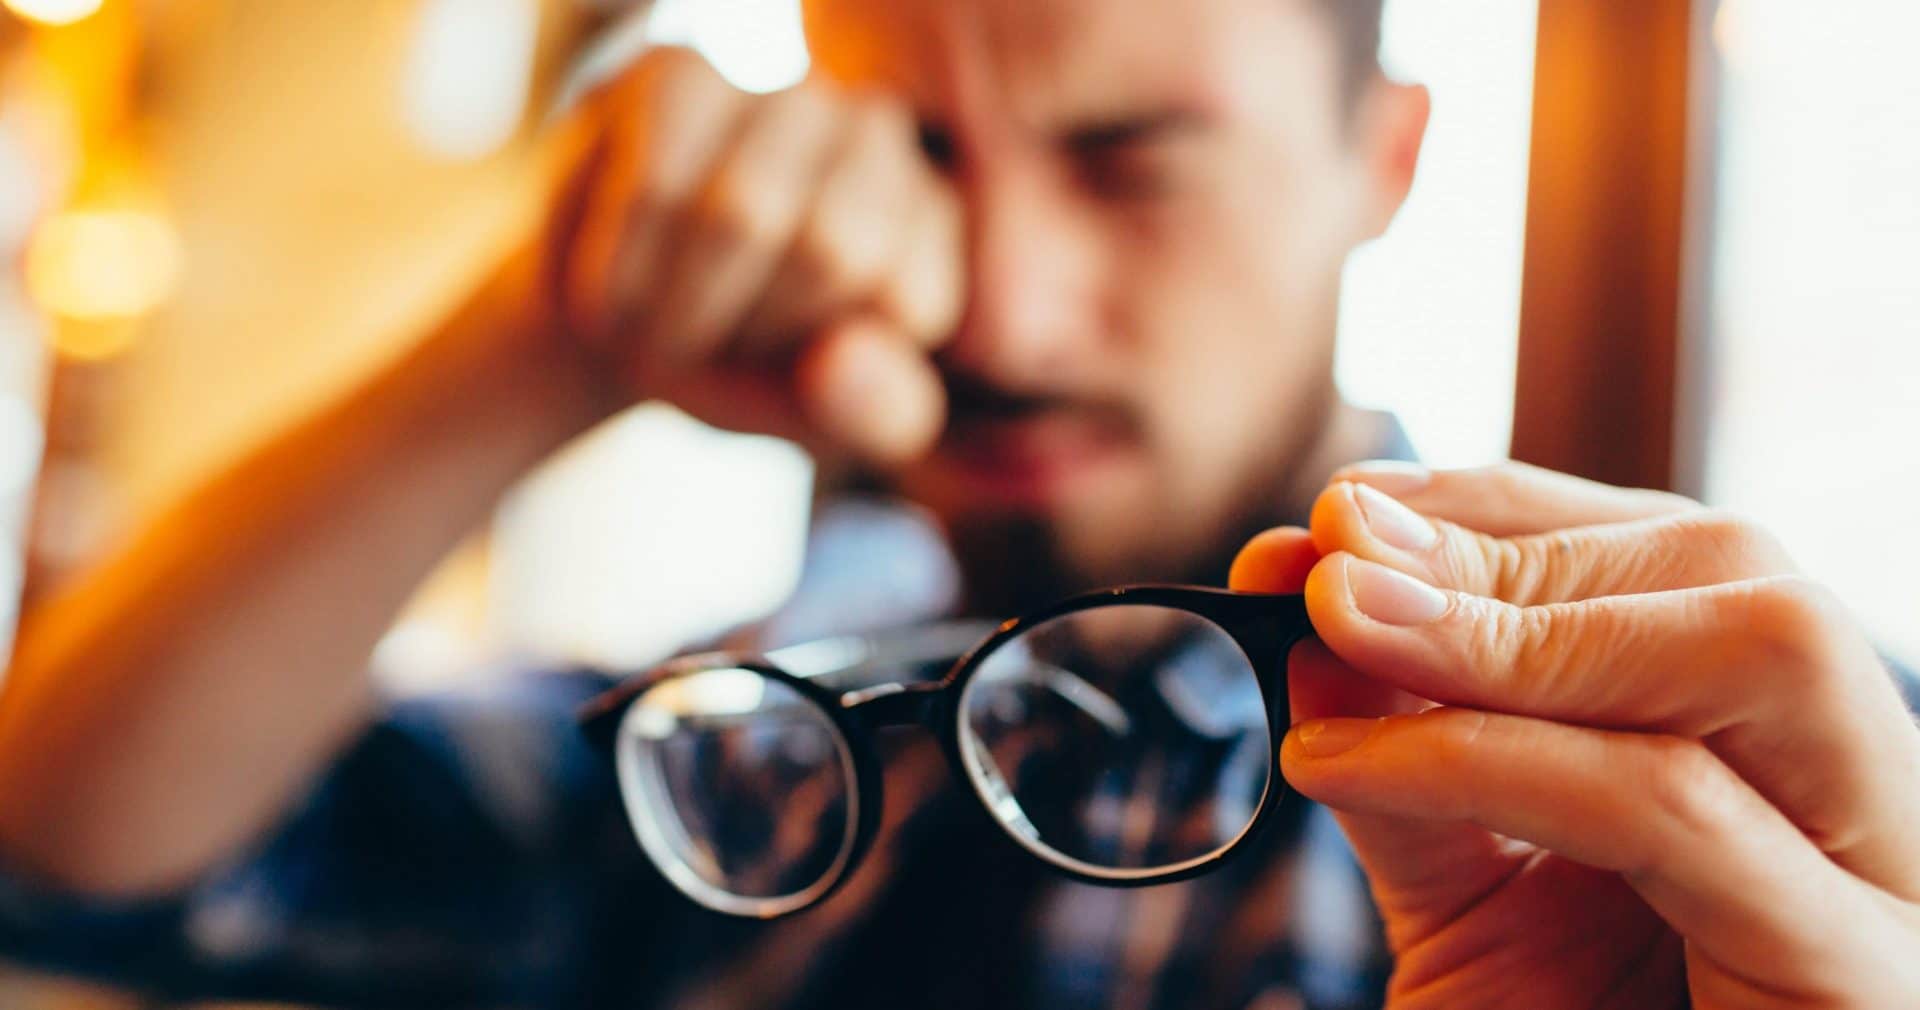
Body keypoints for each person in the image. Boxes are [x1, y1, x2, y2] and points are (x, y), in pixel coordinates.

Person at [0, 0, 1916, 1006]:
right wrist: (545, 328)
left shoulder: (1739, 838)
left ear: (1380, 160)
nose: (993, 306)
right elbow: (74, 848)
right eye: (912, 153)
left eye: (1128, 156)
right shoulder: (750, 769)